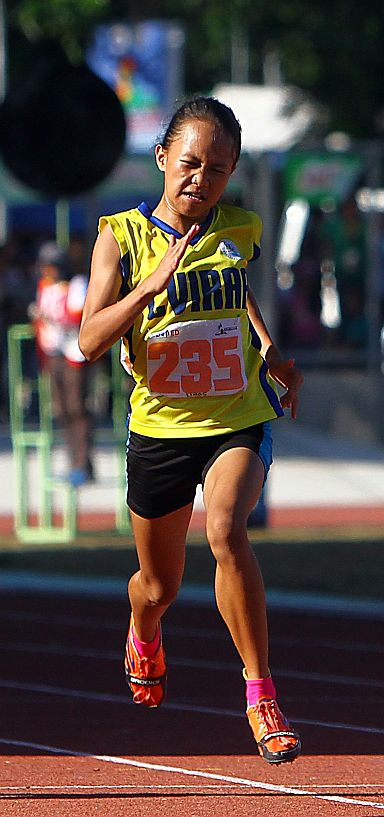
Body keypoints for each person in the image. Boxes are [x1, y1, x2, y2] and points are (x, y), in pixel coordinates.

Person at [79, 96, 304, 764]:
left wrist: (268, 348)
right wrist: (147, 288)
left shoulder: (239, 227)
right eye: (190, 163)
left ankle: (260, 694)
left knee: (227, 529)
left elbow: (234, 291)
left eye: (219, 168)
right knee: (159, 585)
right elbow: (89, 339)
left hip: (236, 415)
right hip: (161, 429)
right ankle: (143, 627)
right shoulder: (120, 234)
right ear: (162, 159)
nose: (201, 180)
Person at [32, 241, 94, 486]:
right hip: (53, 352)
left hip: (74, 353)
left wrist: (51, 316)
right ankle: (73, 461)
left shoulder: (76, 284)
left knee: (77, 407)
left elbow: (77, 315)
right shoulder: (45, 287)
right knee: (61, 409)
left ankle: (83, 462)